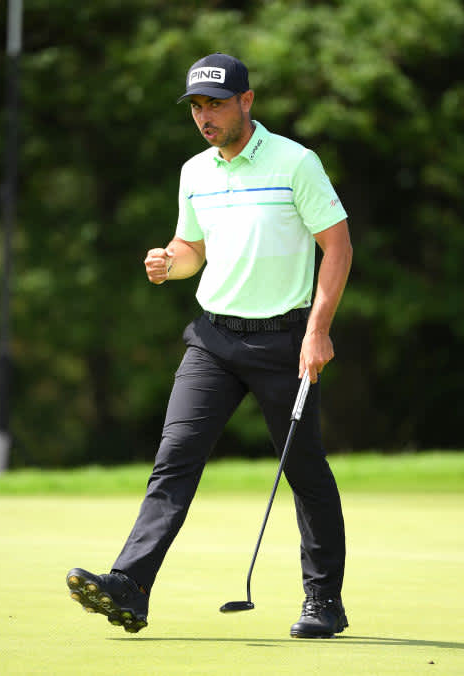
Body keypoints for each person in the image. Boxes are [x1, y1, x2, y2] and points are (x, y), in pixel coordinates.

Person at [66, 53, 353, 639]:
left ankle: (324, 602)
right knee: (173, 462)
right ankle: (130, 586)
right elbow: (191, 247)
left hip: (283, 341)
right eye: (197, 106)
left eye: (216, 103)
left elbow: (338, 244)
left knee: (304, 470)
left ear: (247, 101)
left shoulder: (296, 162)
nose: (205, 116)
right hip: (213, 339)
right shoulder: (194, 171)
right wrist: (168, 263)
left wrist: (318, 329)